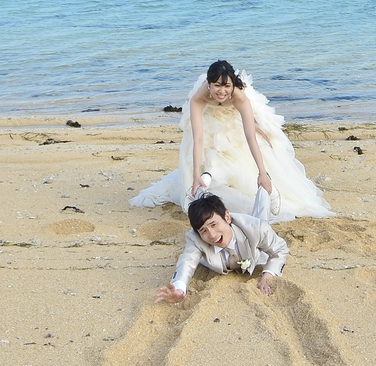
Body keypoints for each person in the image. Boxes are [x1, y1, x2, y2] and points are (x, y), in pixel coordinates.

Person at [131, 59, 333, 222]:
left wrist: (263, 173)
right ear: (209, 84)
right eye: (217, 86)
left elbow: (249, 136)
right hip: (210, 117)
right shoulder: (199, 98)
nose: (222, 91)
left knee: (257, 140)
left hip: (237, 114)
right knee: (210, 158)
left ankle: (266, 183)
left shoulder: (239, 97)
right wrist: (195, 175)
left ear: (232, 85)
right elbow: (199, 137)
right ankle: (204, 179)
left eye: (226, 86)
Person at [153, 188, 289, 303]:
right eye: (203, 230)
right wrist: (179, 288)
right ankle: (200, 189)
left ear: (227, 217)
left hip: (251, 233)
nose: (212, 235)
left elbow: (280, 249)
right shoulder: (195, 239)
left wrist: (267, 276)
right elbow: (186, 263)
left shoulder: (256, 228)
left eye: (213, 225)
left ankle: (264, 190)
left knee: (262, 217)